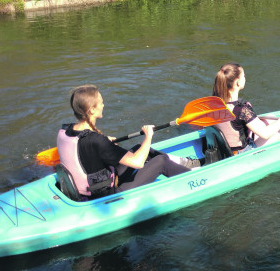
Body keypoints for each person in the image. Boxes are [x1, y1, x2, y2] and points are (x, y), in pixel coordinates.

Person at [56, 85, 195, 199]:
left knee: (139, 148)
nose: (103, 105)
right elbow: (137, 163)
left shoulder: (66, 130)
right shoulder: (97, 141)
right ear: (92, 110)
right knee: (161, 162)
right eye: (101, 102)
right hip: (107, 195)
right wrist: (148, 136)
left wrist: (105, 140)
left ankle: (186, 164)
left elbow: (85, 146)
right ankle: (196, 178)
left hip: (89, 188)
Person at [212, 63, 280, 153]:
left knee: (269, 118)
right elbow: (265, 134)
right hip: (242, 153)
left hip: (224, 150)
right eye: (243, 76)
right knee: (279, 131)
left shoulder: (213, 104)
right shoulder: (242, 109)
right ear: (238, 82)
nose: (245, 78)